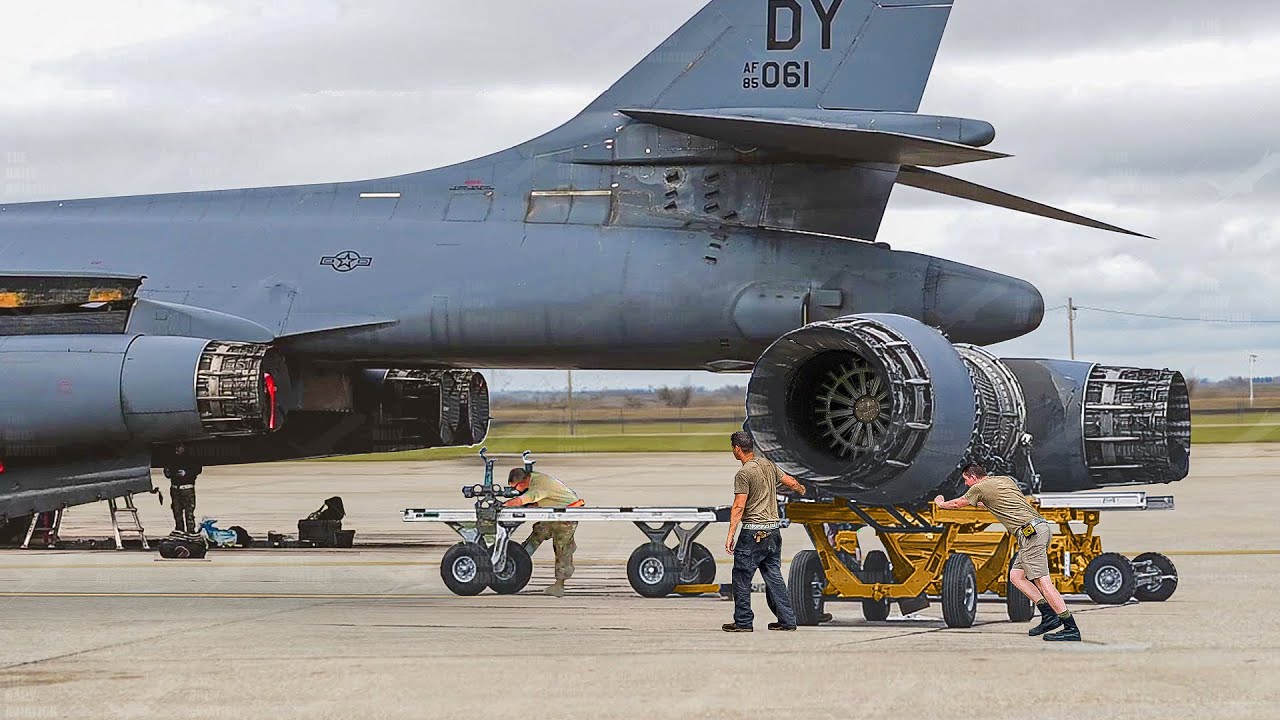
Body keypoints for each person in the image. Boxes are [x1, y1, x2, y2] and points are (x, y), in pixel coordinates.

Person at [935, 464, 1081, 641]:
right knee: (1016, 576)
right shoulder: (1003, 481)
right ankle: (1049, 615)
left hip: (1031, 534)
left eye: (966, 480)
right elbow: (992, 502)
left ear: (973, 477)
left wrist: (941, 504)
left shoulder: (979, 488)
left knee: (1043, 582)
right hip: (1038, 529)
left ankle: (1070, 627)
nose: (966, 484)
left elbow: (959, 503)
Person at [723, 431, 808, 632]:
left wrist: (730, 535)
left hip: (752, 533)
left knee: (742, 577)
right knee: (774, 576)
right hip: (773, 532)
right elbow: (791, 482)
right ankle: (788, 620)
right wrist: (804, 490)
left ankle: (743, 622)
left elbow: (738, 506)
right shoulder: (768, 465)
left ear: (737, 449)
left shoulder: (743, 474)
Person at [505, 466, 584, 597]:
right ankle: (521, 558)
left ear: (523, 481)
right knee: (539, 532)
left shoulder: (539, 485)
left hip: (567, 516)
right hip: (555, 513)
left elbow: (520, 500)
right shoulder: (534, 478)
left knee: (561, 548)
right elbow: (543, 499)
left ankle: (559, 585)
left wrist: (501, 506)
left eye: (515, 487)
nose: (515, 490)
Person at [164, 466, 200, 536]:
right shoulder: (172, 459)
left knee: (189, 512)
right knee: (177, 511)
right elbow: (167, 471)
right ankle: (180, 530)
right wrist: (168, 472)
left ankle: (190, 531)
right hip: (175, 488)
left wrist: (186, 473)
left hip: (187, 488)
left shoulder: (190, 458)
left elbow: (197, 468)